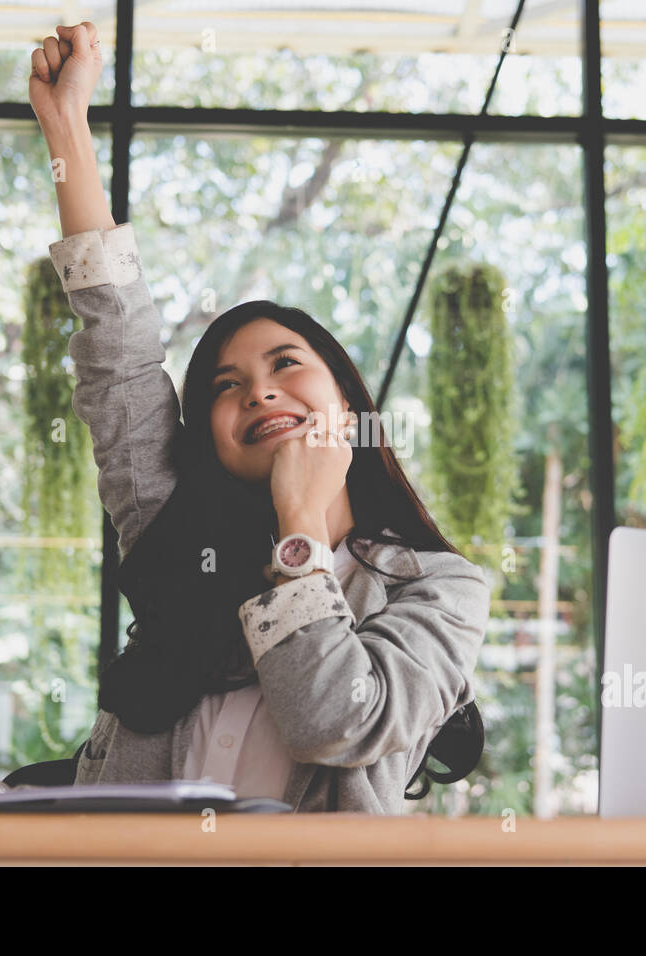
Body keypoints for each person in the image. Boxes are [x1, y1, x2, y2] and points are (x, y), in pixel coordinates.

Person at [29, 22, 491, 813]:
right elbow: (120, 354)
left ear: (344, 402)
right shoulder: (170, 530)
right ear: (208, 437)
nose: (260, 393)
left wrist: (301, 524)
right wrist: (65, 122)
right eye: (225, 386)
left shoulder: (443, 590)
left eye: (285, 365)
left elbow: (333, 722)